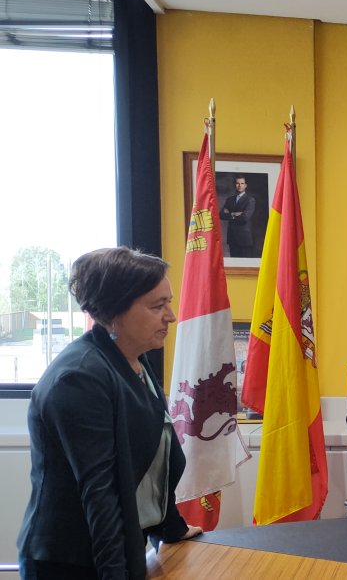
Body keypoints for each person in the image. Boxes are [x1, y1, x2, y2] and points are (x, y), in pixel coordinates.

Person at [18, 248, 202, 579]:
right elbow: (100, 496)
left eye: (168, 302)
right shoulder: (79, 377)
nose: (171, 315)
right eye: (157, 306)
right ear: (115, 312)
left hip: (117, 550)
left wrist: (171, 527)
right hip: (71, 562)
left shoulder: (136, 359)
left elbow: (150, 464)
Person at [219, 174, 256, 257]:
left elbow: (245, 217)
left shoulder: (250, 200)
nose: (239, 185)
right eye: (237, 183)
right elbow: (221, 215)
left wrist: (229, 214)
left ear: (245, 185)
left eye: (242, 183)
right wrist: (234, 214)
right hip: (232, 238)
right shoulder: (229, 200)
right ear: (235, 185)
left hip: (244, 239)